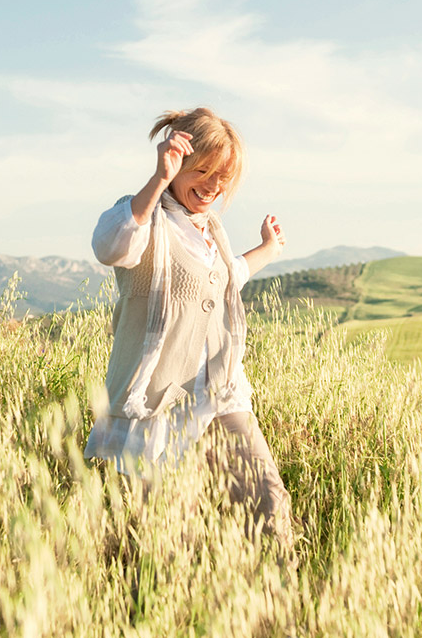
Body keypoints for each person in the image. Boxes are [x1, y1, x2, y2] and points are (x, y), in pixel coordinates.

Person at [84, 107, 293, 550]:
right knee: (156, 534)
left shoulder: (210, 230)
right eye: (203, 171)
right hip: (156, 402)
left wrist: (268, 251)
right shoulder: (145, 218)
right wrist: (158, 179)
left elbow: (224, 278)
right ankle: (145, 611)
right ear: (179, 164)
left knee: (269, 503)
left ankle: (280, 609)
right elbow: (109, 245)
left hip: (219, 392)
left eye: (223, 177)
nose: (213, 187)